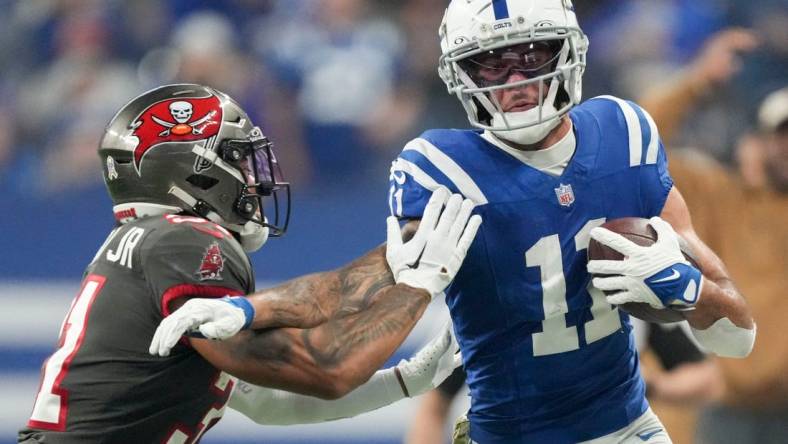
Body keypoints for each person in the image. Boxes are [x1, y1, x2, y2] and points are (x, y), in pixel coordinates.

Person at [157, 2, 757, 442]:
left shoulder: (625, 132)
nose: (516, 81)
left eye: (530, 55)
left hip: (631, 429)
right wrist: (250, 309)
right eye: (490, 66)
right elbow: (362, 286)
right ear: (460, 77)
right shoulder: (443, 167)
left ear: (568, 52)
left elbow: (737, 335)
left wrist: (694, 291)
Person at [18, 83, 482, 443]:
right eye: (239, 160)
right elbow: (324, 367)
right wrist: (414, 289)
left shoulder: (155, 243)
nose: (257, 179)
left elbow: (266, 399)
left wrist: (406, 376)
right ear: (195, 172)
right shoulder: (185, 240)